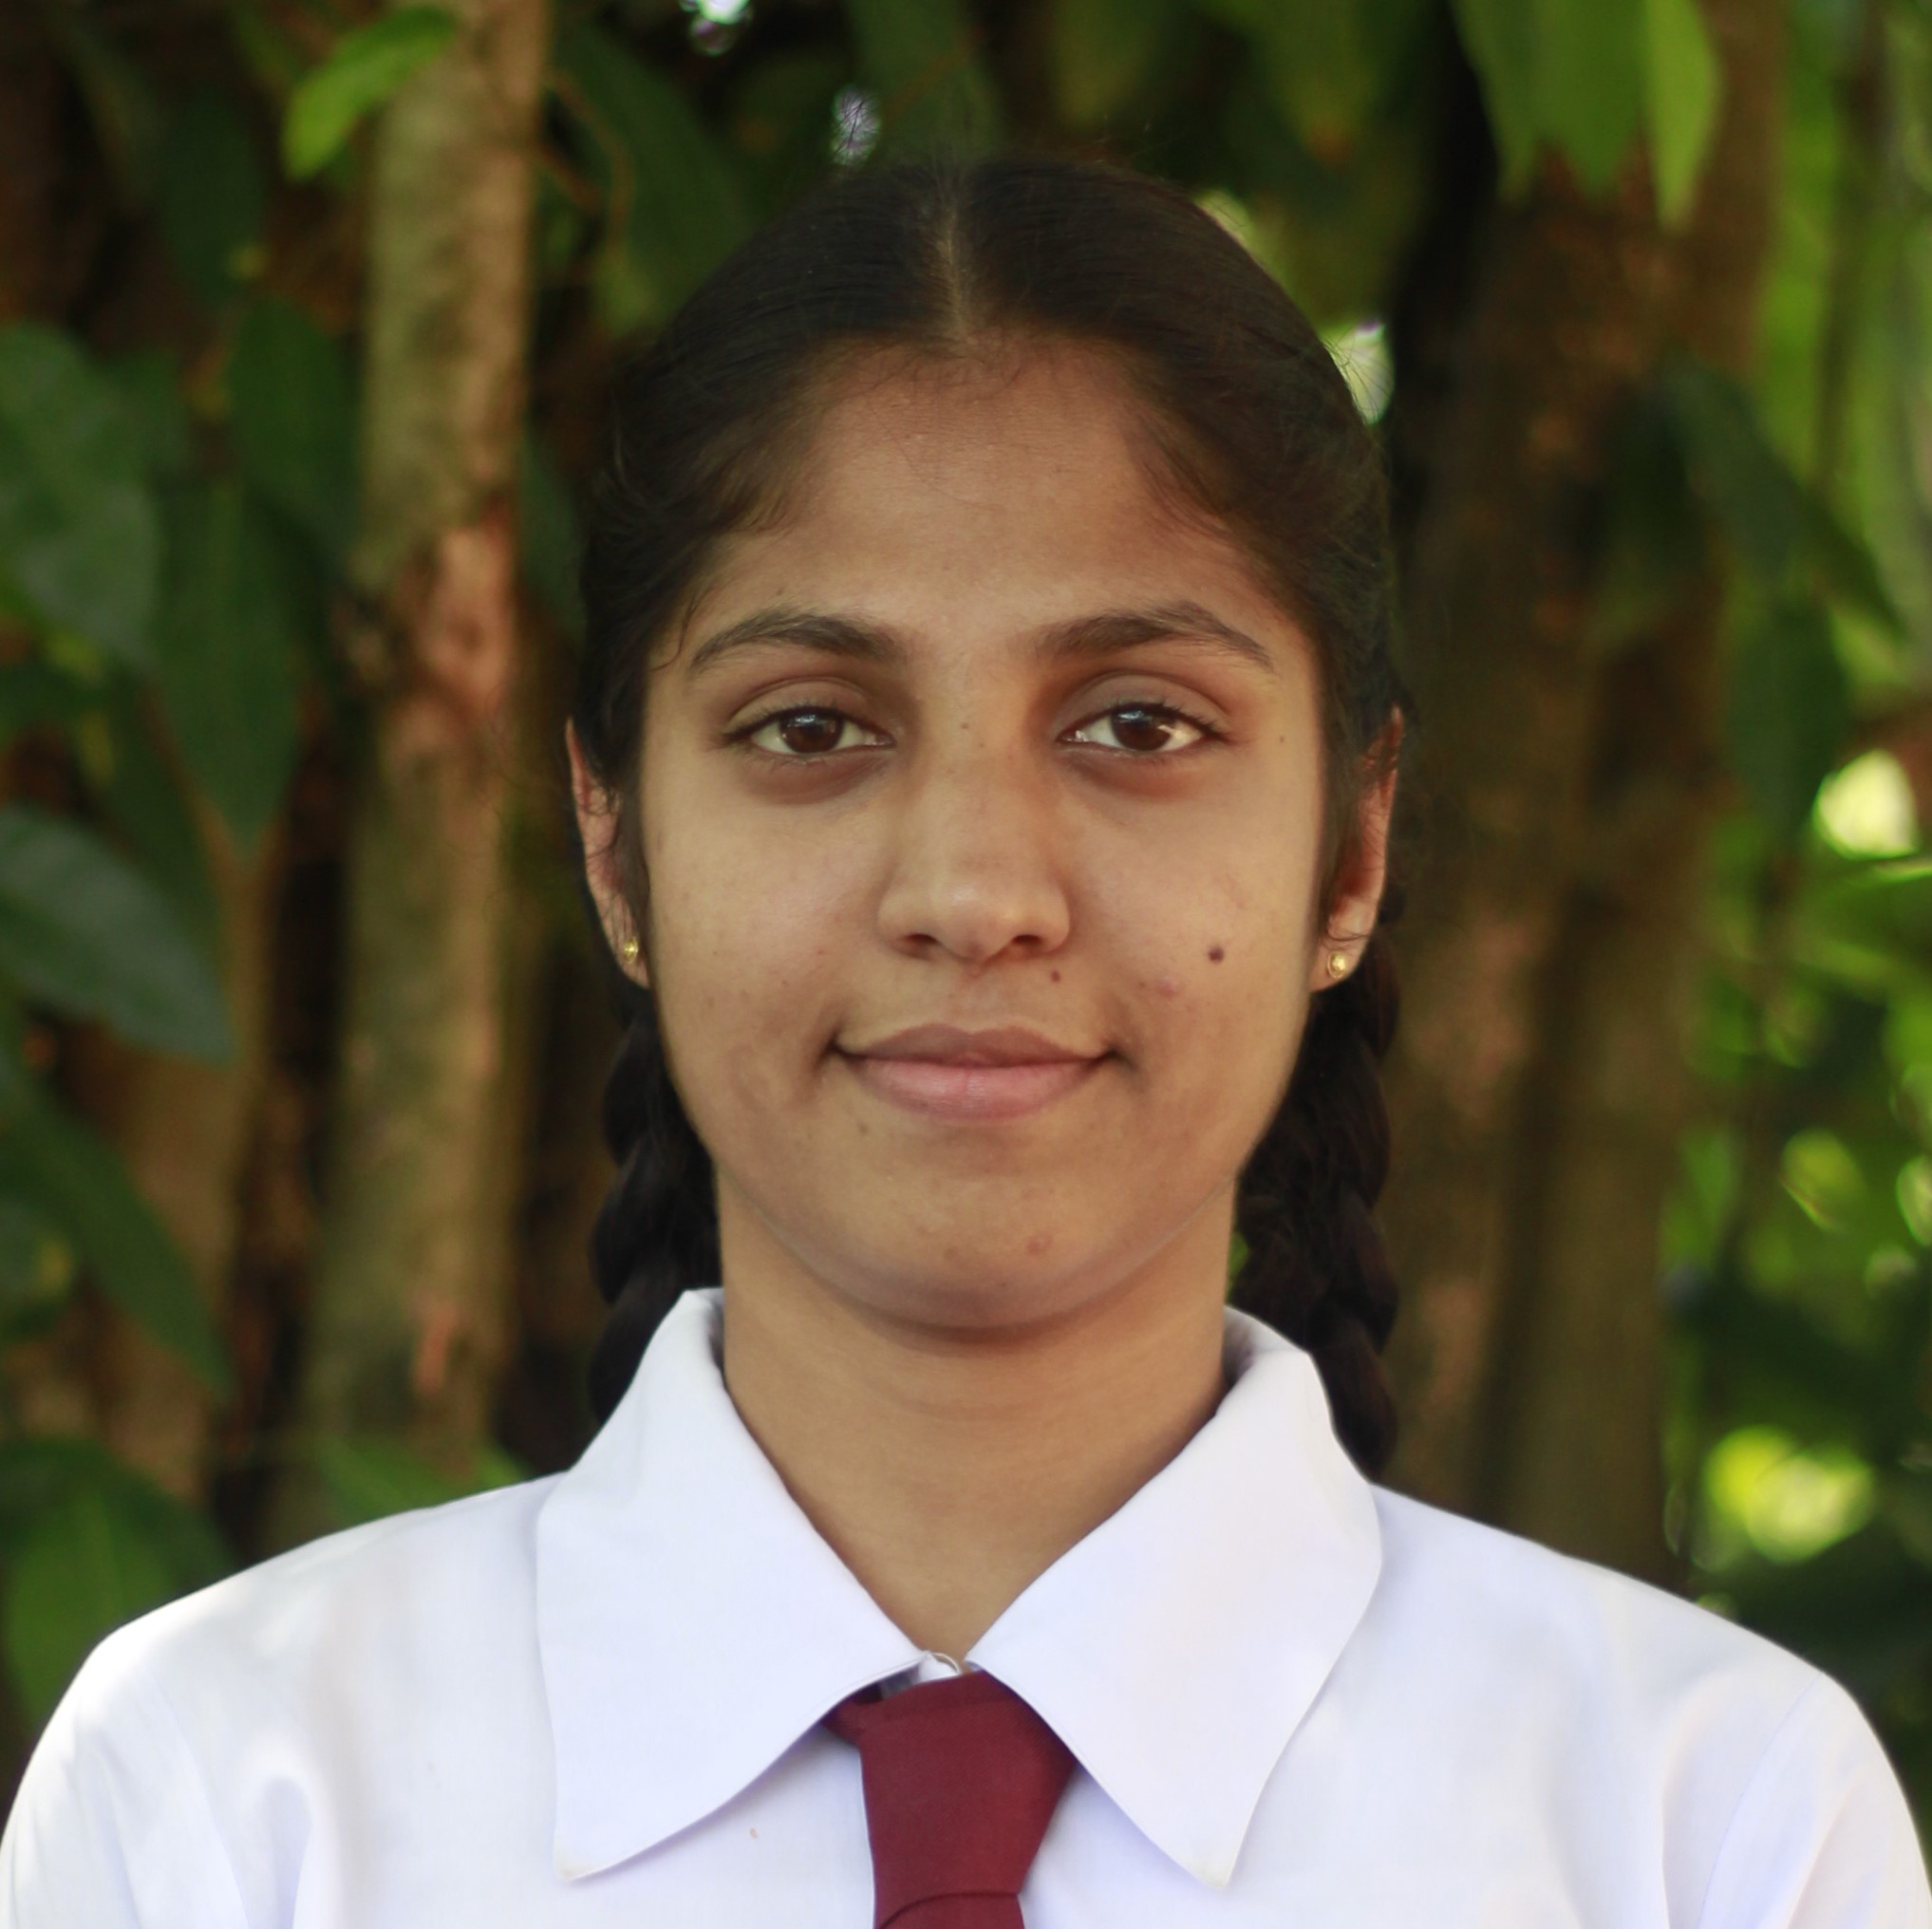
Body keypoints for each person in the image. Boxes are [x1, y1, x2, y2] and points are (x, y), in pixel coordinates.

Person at [1, 153, 1926, 1927]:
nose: (976, 889)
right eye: (812, 727)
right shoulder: (228, 1793)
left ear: (1351, 848)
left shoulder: (1704, 1822)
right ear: (613, 839)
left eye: (1138, 724)